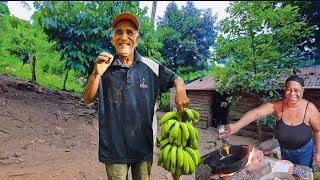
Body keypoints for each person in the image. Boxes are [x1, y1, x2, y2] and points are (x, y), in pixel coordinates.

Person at [83, 12, 189, 180]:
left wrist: (180, 89)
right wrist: (96, 74)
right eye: (119, 32)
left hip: (143, 145)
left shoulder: (151, 66)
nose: (124, 37)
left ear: (137, 40)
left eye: (129, 32)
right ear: (112, 39)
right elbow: (87, 98)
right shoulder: (103, 67)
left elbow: (176, 79)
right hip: (114, 148)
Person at [220, 75, 320, 170]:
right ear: (285, 91)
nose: (292, 94)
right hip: (284, 151)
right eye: (289, 90)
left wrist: (318, 153)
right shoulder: (278, 106)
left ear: (302, 91)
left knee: (302, 175)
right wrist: (237, 125)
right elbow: (256, 113)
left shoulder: (310, 109)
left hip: (304, 153)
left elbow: (318, 131)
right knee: (287, 175)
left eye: (296, 90)